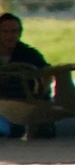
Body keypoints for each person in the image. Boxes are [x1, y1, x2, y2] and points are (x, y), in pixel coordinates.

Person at [0, 12, 48, 140]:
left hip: (23, 101)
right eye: (5, 32)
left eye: (14, 31)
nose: (10, 36)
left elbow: (47, 75)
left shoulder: (30, 55)